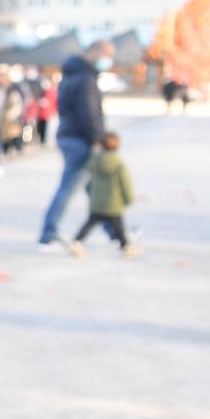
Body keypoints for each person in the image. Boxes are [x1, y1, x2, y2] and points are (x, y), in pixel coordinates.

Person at [37, 43, 111, 250]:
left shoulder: (71, 75)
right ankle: (48, 235)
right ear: (95, 52)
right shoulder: (86, 79)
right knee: (68, 188)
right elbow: (89, 113)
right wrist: (98, 140)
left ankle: (116, 232)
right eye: (107, 55)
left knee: (96, 190)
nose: (108, 60)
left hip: (69, 136)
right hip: (82, 140)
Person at [65, 130, 138, 258]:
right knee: (118, 227)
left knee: (89, 224)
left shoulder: (95, 162)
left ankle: (77, 242)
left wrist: (91, 194)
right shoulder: (119, 164)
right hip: (113, 204)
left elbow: (88, 183)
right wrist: (128, 199)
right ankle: (126, 246)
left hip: (97, 202)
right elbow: (125, 183)